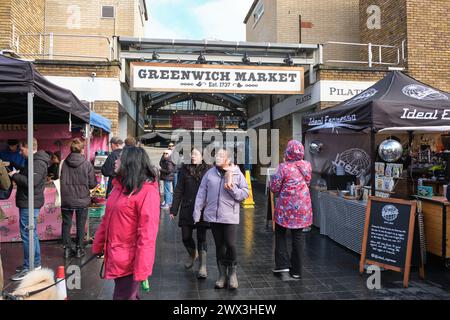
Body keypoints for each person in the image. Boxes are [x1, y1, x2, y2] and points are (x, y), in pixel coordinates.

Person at [92, 146, 160, 300]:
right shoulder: (118, 188)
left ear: (130, 163)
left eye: (119, 158)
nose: (115, 161)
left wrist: (142, 268)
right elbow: (106, 220)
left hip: (129, 261)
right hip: (116, 256)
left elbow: (147, 234)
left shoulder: (147, 192)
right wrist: (98, 244)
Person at [193, 148, 249, 289]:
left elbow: (245, 193)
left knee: (230, 244)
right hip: (213, 216)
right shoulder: (209, 173)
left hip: (229, 216)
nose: (217, 157)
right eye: (216, 155)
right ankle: (222, 275)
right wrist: (197, 211)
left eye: (221, 156)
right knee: (220, 246)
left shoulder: (237, 174)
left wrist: (232, 189)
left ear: (228, 159)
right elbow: (201, 192)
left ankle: (232, 274)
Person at [269, 140, 312, 280]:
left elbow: (274, 188)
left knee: (280, 234)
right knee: (298, 237)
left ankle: (282, 265)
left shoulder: (283, 167)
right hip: (302, 208)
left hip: (286, 208)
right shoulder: (307, 166)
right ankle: (297, 271)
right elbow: (308, 182)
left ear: (288, 152)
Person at [9, 138, 50, 281]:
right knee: (31, 235)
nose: (20, 152)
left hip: (30, 202)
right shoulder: (35, 161)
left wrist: (14, 175)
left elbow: (30, 182)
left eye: (22, 149)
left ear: (29, 147)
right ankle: (35, 264)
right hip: (29, 201)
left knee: (28, 236)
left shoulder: (37, 162)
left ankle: (29, 267)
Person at [170, 147, 211, 278]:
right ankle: (193, 254)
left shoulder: (208, 170)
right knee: (185, 237)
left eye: (196, 154)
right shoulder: (185, 169)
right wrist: (174, 209)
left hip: (203, 209)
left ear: (202, 156)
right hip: (187, 208)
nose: (193, 156)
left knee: (201, 237)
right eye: (192, 153)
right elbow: (179, 189)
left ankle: (203, 266)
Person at [60, 138, 97, 259]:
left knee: (66, 224)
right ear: (82, 150)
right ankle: (79, 249)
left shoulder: (63, 163)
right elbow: (92, 184)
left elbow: (57, 177)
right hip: (82, 199)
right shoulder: (87, 164)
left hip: (66, 198)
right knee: (81, 224)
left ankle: (66, 249)